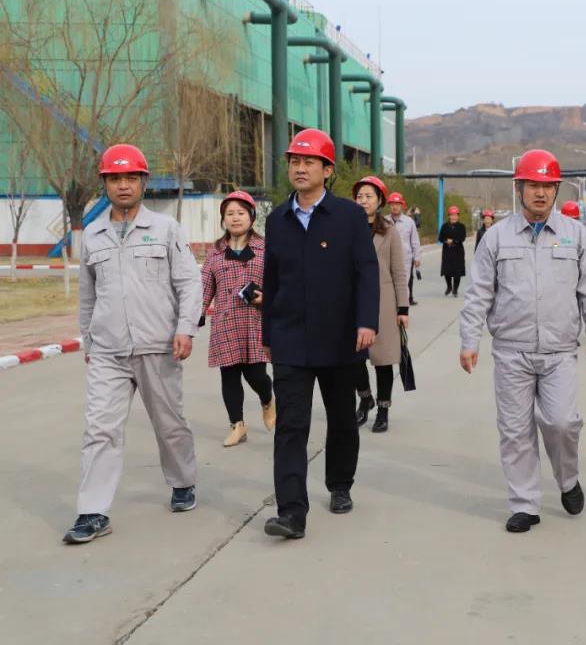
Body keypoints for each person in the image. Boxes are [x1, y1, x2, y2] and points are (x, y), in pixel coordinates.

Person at [459, 149, 586, 533]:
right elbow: (478, 293)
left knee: (562, 422)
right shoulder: (496, 237)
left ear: (556, 189)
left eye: (547, 186)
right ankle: (525, 503)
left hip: (559, 351)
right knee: (515, 431)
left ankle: (568, 479)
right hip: (512, 351)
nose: (540, 193)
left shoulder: (576, 235)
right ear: (519, 188)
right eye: (533, 185)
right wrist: (470, 340)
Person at [64, 144, 202, 544]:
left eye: (130, 178)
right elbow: (88, 295)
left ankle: (182, 481)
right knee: (100, 430)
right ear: (105, 184)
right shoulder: (93, 235)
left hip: (158, 345)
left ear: (143, 182)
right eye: (114, 179)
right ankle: (92, 511)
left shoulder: (166, 229)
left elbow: (188, 281)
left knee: (170, 424)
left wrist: (185, 328)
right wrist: (89, 340)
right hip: (109, 351)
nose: (123, 185)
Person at [260, 128, 380, 540]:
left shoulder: (348, 216)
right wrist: (268, 333)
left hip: (341, 337)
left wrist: (367, 321)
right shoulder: (277, 219)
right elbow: (271, 278)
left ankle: (340, 483)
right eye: (294, 161)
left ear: (327, 170)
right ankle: (291, 512)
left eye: (309, 162)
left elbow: (367, 271)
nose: (300, 168)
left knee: (342, 418)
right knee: (291, 426)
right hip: (290, 338)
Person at [200, 190, 275, 447]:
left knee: (256, 375)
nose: (235, 218)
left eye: (240, 213)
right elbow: (205, 286)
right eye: (229, 213)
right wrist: (197, 313)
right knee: (229, 375)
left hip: (255, 322)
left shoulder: (266, 248)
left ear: (251, 217)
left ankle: (267, 399)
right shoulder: (215, 252)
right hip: (226, 322)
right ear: (223, 219)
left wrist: (267, 298)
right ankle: (237, 425)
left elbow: (280, 282)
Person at [353, 176, 410, 433]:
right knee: (353, 358)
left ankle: (383, 409)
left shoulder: (389, 231)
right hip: (353, 301)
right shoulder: (347, 228)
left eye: (369, 196)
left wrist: (402, 309)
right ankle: (365, 398)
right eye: (359, 196)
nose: (363, 201)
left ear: (380, 201)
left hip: (384, 302)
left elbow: (398, 271)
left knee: (383, 360)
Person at [388, 192, 421, 306]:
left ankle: (403, 309)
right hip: (388, 259)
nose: (395, 207)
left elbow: (415, 241)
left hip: (405, 259)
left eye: (397, 204)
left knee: (403, 285)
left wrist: (417, 257)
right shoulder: (384, 221)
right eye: (392, 204)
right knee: (389, 285)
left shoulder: (409, 222)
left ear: (402, 205)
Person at [439, 206, 466, 297]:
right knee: (447, 270)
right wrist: (446, 241)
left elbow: (462, 238)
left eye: (455, 215)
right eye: (452, 215)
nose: (454, 217)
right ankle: (449, 286)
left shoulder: (461, 226)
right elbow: (440, 238)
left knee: (457, 272)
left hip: (458, 251)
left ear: (458, 216)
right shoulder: (444, 226)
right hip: (447, 251)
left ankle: (455, 289)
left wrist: (453, 241)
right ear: (449, 216)